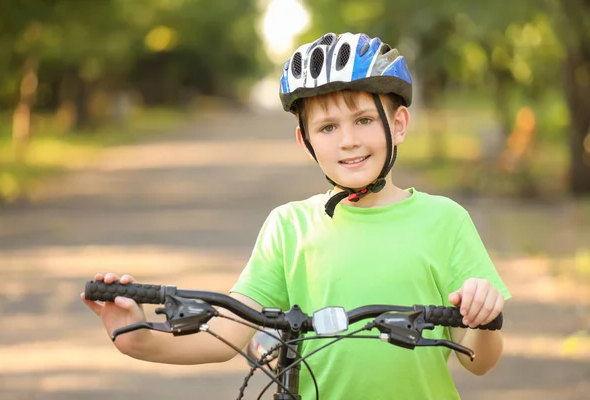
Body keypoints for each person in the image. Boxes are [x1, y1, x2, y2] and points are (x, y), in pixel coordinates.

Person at [82, 32, 512, 399]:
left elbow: (480, 362)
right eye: (327, 128)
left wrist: (485, 317)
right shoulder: (288, 227)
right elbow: (226, 338)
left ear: (398, 124)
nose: (348, 141)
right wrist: (134, 338)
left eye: (363, 119)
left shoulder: (445, 221)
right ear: (305, 140)